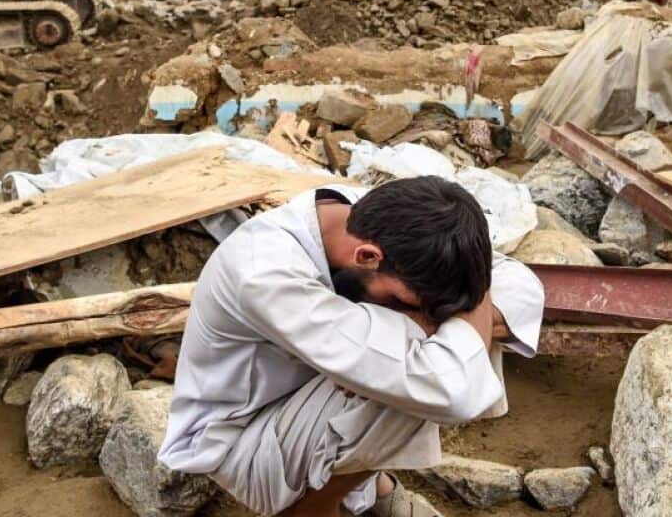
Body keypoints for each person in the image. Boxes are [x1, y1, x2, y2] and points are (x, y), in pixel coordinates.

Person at [159, 177, 544, 517]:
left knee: (433, 347)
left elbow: (524, 286)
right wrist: (453, 312)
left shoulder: (368, 219)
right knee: (426, 369)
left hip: (301, 404)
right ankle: (314, 510)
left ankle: (369, 489)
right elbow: (454, 391)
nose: (417, 312)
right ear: (367, 257)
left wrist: (454, 300)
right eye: (408, 300)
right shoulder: (266, 274)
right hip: (240, 442)